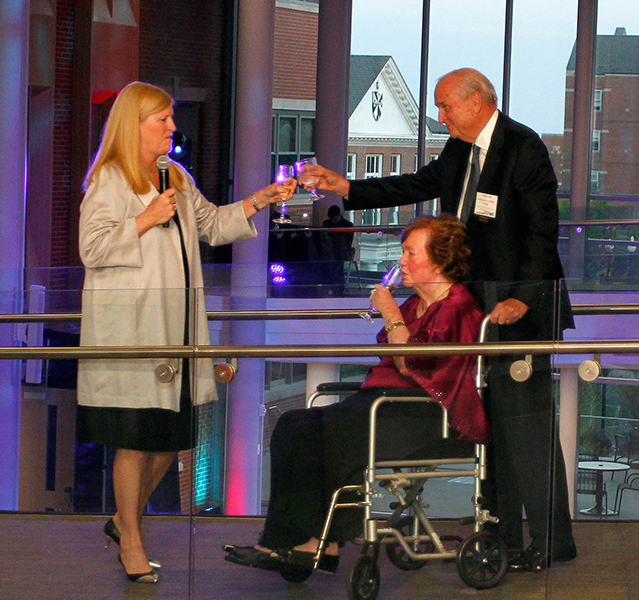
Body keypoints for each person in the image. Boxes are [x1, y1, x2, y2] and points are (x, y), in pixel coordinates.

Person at [298, 68, 576, 571]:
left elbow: (542, 233)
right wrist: (348, 188)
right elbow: (416, 183)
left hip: (518, 309)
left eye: (446, 106)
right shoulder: (457, 150)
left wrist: (524, 300)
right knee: (491, 429)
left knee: (525, 429)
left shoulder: (523, 147)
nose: (441, 115)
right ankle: (502, 536)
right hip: (475, 308)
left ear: (477, 102)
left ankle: (551, 541)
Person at [77, 81, 292, 584]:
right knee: (135, 440)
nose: (173, 128)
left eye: (171, 119)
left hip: (178, 330)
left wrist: (259, 199)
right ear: (135, 125)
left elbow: (212, 226)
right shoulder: (110, 179)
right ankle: (131, 537)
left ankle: (122, 519)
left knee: (171, 440)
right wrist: (146, 219)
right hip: (133, 333)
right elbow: (92, 248)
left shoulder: (174, 174)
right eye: (163, 120)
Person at [225, 215, 488, 573]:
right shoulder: (414, 305)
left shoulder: (457, 307)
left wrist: (390, 314)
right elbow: (397, 359)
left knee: (328, 436)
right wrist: (398, 326)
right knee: (292, 424)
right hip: (381, 401)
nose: (401, 261)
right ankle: (312, 542)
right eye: (403, 252)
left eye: (411, 253)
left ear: (439, 261)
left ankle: (308, 542)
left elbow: (412, 365)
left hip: (422, 411)